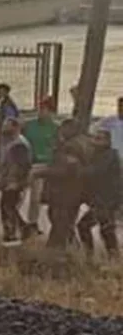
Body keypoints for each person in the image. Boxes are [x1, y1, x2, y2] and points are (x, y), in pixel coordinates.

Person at [42, 119, 93, 250]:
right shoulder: (85, 142)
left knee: (60, 221)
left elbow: (68, 170)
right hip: (77, 191)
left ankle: (57, 252)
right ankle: (69, 247)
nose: (60, 132)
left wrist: (43, 172)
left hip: (65, 191)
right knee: (64, 221)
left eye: (63, 129)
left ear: (70, 129)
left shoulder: (71, 146)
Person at [78, 127, 121, 259]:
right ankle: (106, 256)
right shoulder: (97, 154)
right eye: (94, 138)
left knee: (90, 226)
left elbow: (95, 172)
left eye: (98, 139)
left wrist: (77, 170)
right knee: (105, 229)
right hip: (101, 199)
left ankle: (92, 255)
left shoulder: (109, 156)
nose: (94, 141)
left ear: (107, 141)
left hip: (106, 200)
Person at [0, 116, 34, 245]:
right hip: (9, 181)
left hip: (15, 183)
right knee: (9, 207)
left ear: (16, 128)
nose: (3, 128)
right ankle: (22, 230)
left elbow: (22, 167)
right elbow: (4, 163)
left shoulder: (19, 144)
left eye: (7, 125)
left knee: (8, 207)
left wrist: (15, 183)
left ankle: (12, 236)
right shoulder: (8, 142)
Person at [22, 96, 59, 233]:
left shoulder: (55, 128)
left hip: (43, 165)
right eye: (40, 109)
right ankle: (16, 220)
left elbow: (56, 148)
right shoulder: (30, 125)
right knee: (19, 194)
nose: (41, 112)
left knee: (35, 197)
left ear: (51, 111)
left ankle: (32, 222)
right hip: (28, 163)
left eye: (44, 109)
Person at [0, 83, 21, 167]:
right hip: (2, 136)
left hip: (6, 137)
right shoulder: (4, 104)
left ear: (5, 93)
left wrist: (2, 133)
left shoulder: (8, 106)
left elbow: (10, 121)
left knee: (3, 159)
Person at [94, 97, 123, 165]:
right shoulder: (109, 120)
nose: (121, 109)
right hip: (111, 154)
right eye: (120, 106)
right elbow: (96, 130)